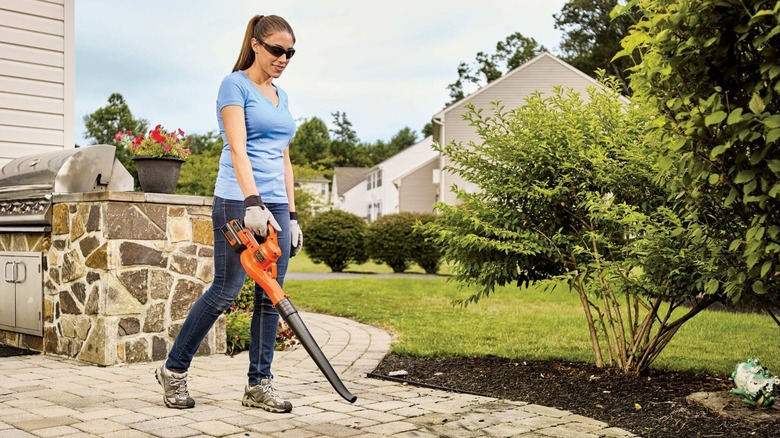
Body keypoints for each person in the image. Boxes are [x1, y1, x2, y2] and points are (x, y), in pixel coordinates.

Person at [156, 14, 303, 413]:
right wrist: (253, 202)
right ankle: (173, 369)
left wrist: (290, 213)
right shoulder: (233, 85)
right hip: (239, 201)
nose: (283, 58)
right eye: (276, 50)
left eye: (290, 52)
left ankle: (259, 385)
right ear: (255, 44)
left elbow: (284, 160)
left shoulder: (281, 96)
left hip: (273, 206)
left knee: (270, 297)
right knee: (226, 290)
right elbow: (238, 149)